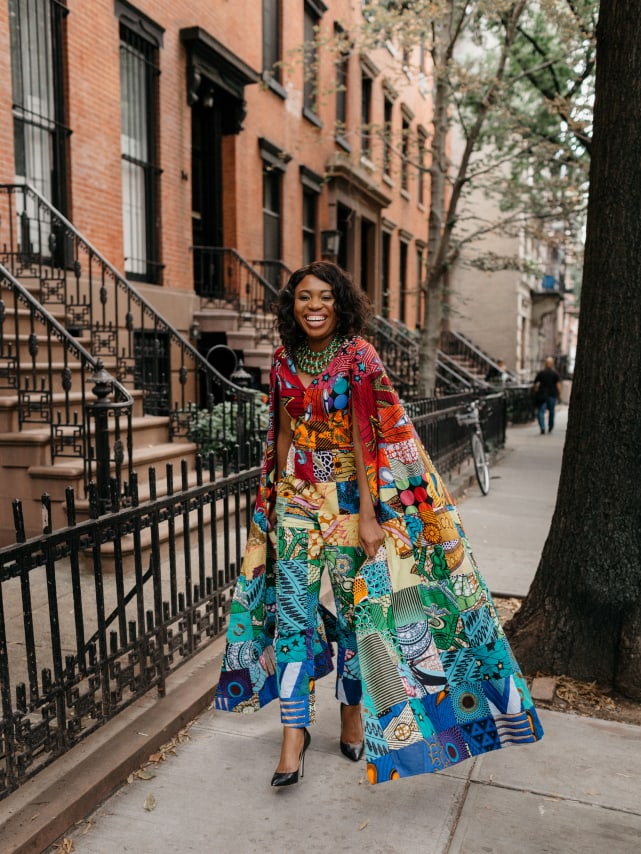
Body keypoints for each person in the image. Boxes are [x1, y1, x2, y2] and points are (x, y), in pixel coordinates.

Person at [214, 261, 543, 786]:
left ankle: (350, 717)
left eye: (324, 296)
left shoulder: (358, 357)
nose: (313, 305)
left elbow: (373, 439)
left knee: (353, 617)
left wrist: (370, 516)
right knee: (294, 617)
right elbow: (281, 431)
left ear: (340, 303)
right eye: (303, 297)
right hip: (298, 500)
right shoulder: (281, 359)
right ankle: (292, 737)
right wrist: (277, 496)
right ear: (291, 305)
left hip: (350, 501)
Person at [532, 356, 562, 434]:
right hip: (552, 395)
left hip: (542, 395)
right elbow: (558, 385)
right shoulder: (555, 373)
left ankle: (542, 427)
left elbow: (535, 384)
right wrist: (559, 394)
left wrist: (535, 391)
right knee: (551, 412)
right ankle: (550, 427)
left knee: (540, 411)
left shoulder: (541, 373)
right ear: (552, 364)